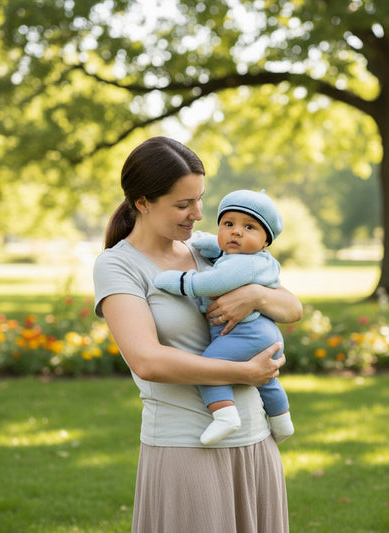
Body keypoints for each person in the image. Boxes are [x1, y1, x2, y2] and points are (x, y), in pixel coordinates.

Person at [93, 136, 303, 533]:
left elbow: (293, 308)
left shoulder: (211, 250)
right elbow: (147, 361)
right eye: (183, 204)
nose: (198, 215)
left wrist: (254, 295)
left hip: (255, 439)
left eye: (200, 199)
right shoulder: (118, 266)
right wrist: (246, 374)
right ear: (142, 203)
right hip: (187, 448)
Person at [153, 189, 295, 446]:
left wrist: (181, 281)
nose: (236, 232)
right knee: (268, 384)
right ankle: (283, 421)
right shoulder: (249, 259)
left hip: (245, 333)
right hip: (262, 333)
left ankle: (224, 416)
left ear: (265, 241)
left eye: (249, 227)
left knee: (210, 368)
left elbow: (215, 281)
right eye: (228, 224)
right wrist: (208, 243)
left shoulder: (244, 264)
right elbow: (222, 256)